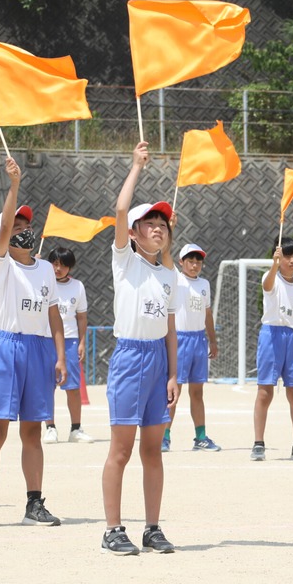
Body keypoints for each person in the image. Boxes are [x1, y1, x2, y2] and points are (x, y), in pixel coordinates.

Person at [0, 159, 67, 530]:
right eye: (16, 225)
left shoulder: (44, 269)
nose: (23, 229)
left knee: (32, 431)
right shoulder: (2, 264)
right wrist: (14, 185)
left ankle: (34, 505)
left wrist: (60, 356)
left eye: (27, 224)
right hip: (9, 347)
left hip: (40, 349)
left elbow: (54, 314)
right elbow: (5, 224)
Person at [98, 141, 180, 556]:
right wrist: (135, 167)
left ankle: (152, 527)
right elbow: (118, 209)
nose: (158, 227)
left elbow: (170, 326)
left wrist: (172, 373)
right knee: (122, 449)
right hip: (129, 358)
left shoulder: (169, 276)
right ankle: (112, 529)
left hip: (157, 362)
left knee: (153, 449)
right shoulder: (124, 261)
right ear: (132, 233)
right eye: (149, 222)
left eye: (163, 223)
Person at [251, 236, 293, 462]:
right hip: (271, 335)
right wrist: (274, 264)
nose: (292, 260)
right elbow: (267, 286)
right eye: (288, 256)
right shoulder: (270, 277)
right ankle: (258, 443)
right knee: (265, 392)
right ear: (279, 257)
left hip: (292, 338)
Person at [164, 242, 220, 453]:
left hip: (199, 341)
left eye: (198, 261)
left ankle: (201, 437)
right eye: (190, 260)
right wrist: (170, 229)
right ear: (181, 262)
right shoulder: (176, 279)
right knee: (173, 391)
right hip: (179, 340)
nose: (195, 264)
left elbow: (207, 314)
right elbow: (165, 253)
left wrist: (212, 340)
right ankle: (164, 436)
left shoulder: (204, 284)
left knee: (197, 392)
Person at [43, 246, 94, 444]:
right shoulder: (43, 283)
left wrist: (81, 342)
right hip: (46, 340)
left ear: (70, 267)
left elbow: (81, 318)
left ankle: (75, 429)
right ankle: (50, 428)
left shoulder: (78, 287)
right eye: (55, 264)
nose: (58, 268)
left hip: (71, 340)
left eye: (63, 265)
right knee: (48, 386)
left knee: (73, 387)